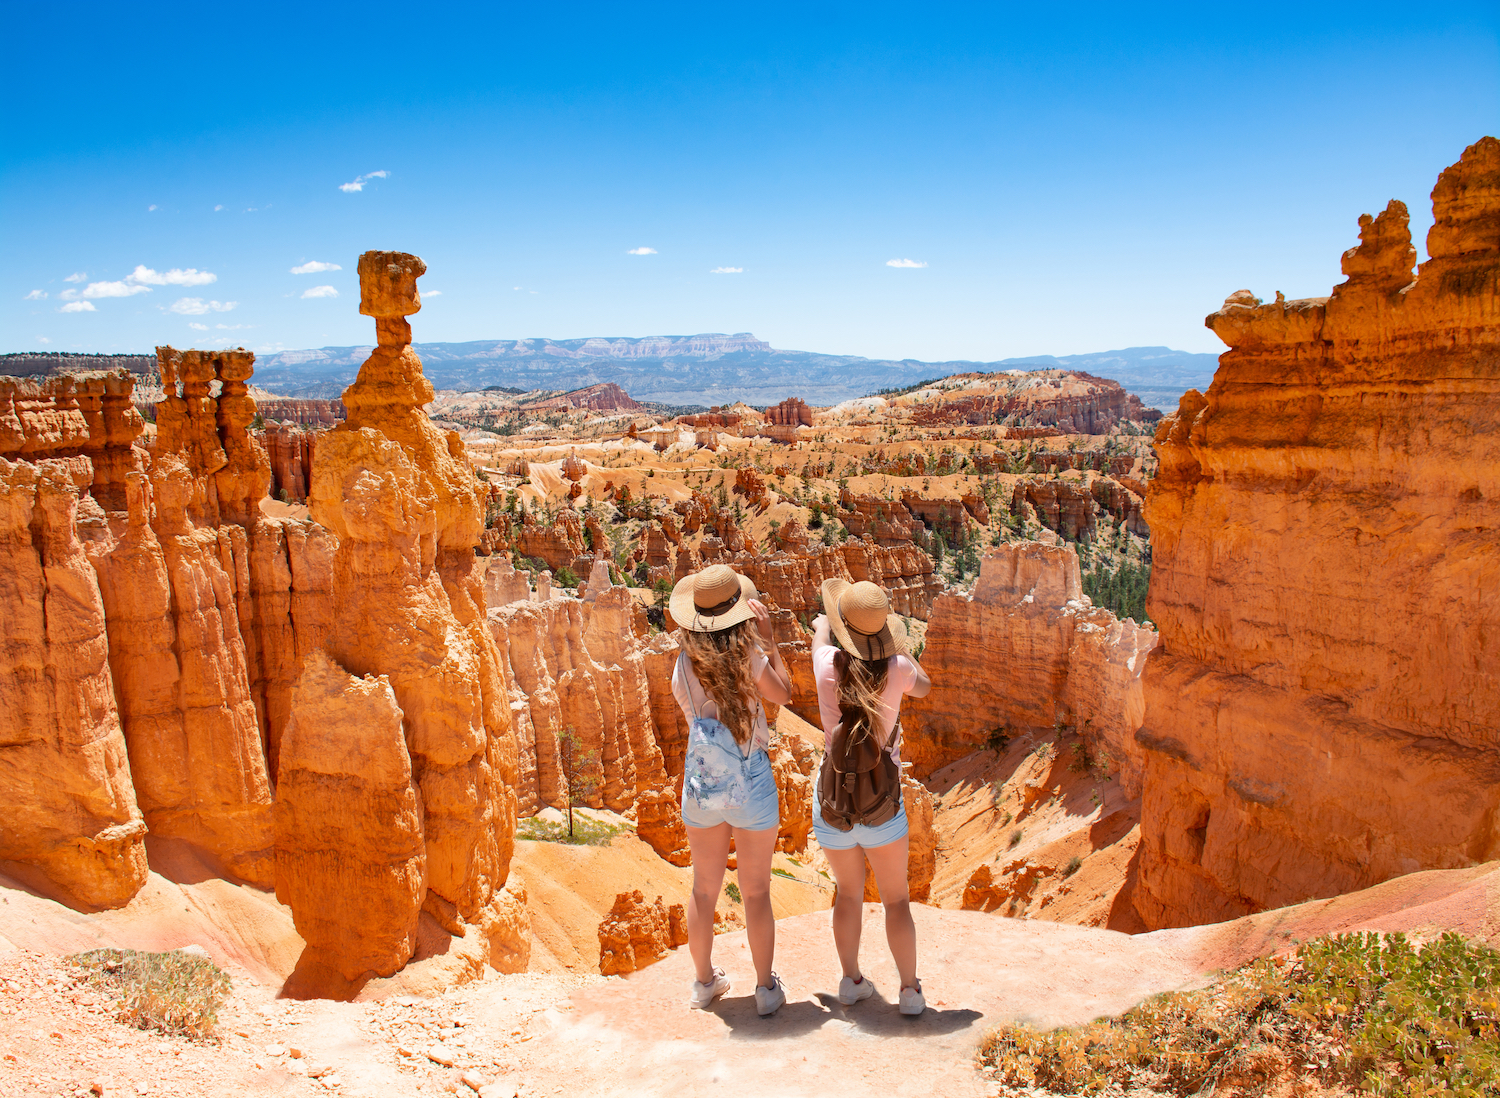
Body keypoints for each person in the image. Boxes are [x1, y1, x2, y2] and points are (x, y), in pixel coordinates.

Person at [669, 563, 794, 1014]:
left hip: (702, 783)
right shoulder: (749, 657)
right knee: (756, 890)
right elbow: (783, 694)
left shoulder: (683, 664)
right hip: (752, 780)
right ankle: (765, 990)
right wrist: (770, 642)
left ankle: (704, 983)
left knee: (704, 890)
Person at [810, 578, 932, 1015]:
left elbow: (820, 635)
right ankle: (910, 993)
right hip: (883, 802)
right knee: (896, 899)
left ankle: (850, 982)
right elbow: (925, 686)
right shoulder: (898, 668)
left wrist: (827, 623)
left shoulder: (826, 663)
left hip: (834, 802)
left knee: (848, 894)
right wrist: (901, 648)